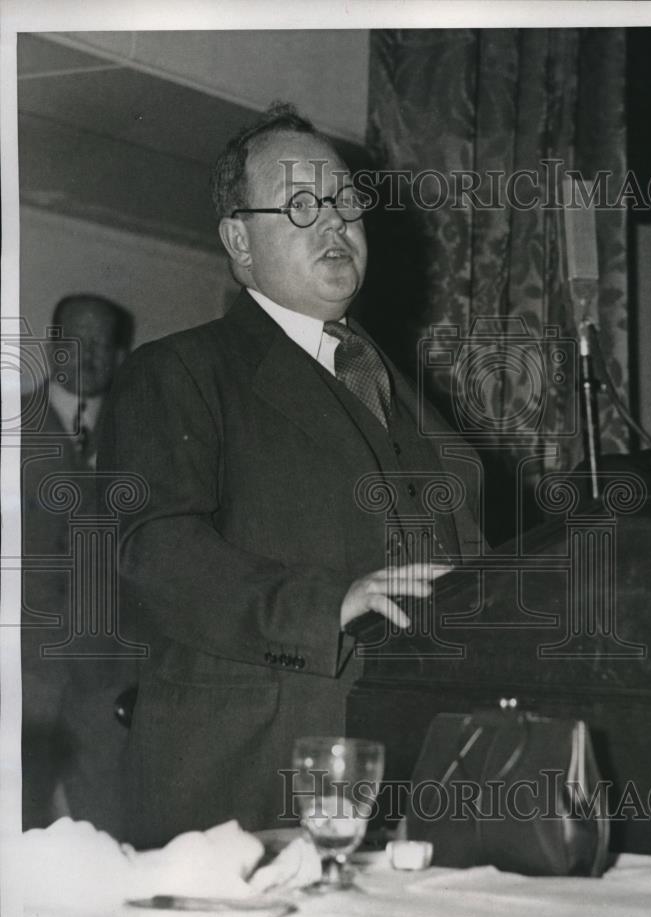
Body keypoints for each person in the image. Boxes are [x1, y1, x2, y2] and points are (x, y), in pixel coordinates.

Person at [98, 104, 483, 848]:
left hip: (403, 791)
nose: (333, 225)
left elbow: (470, 567)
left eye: (345, 203)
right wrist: (328, 603)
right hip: (243, 792)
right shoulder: (176, 373)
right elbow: (154, 553)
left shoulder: (398, 388)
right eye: (301, 205)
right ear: (240, 240)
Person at [21, 294, 135, 835]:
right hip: (21, 671)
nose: (88, 355)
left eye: (102, 344)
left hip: (106, 674)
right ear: (50, 347)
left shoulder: (146, 442)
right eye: (75, 340)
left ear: (117, 356)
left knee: (106, 829)